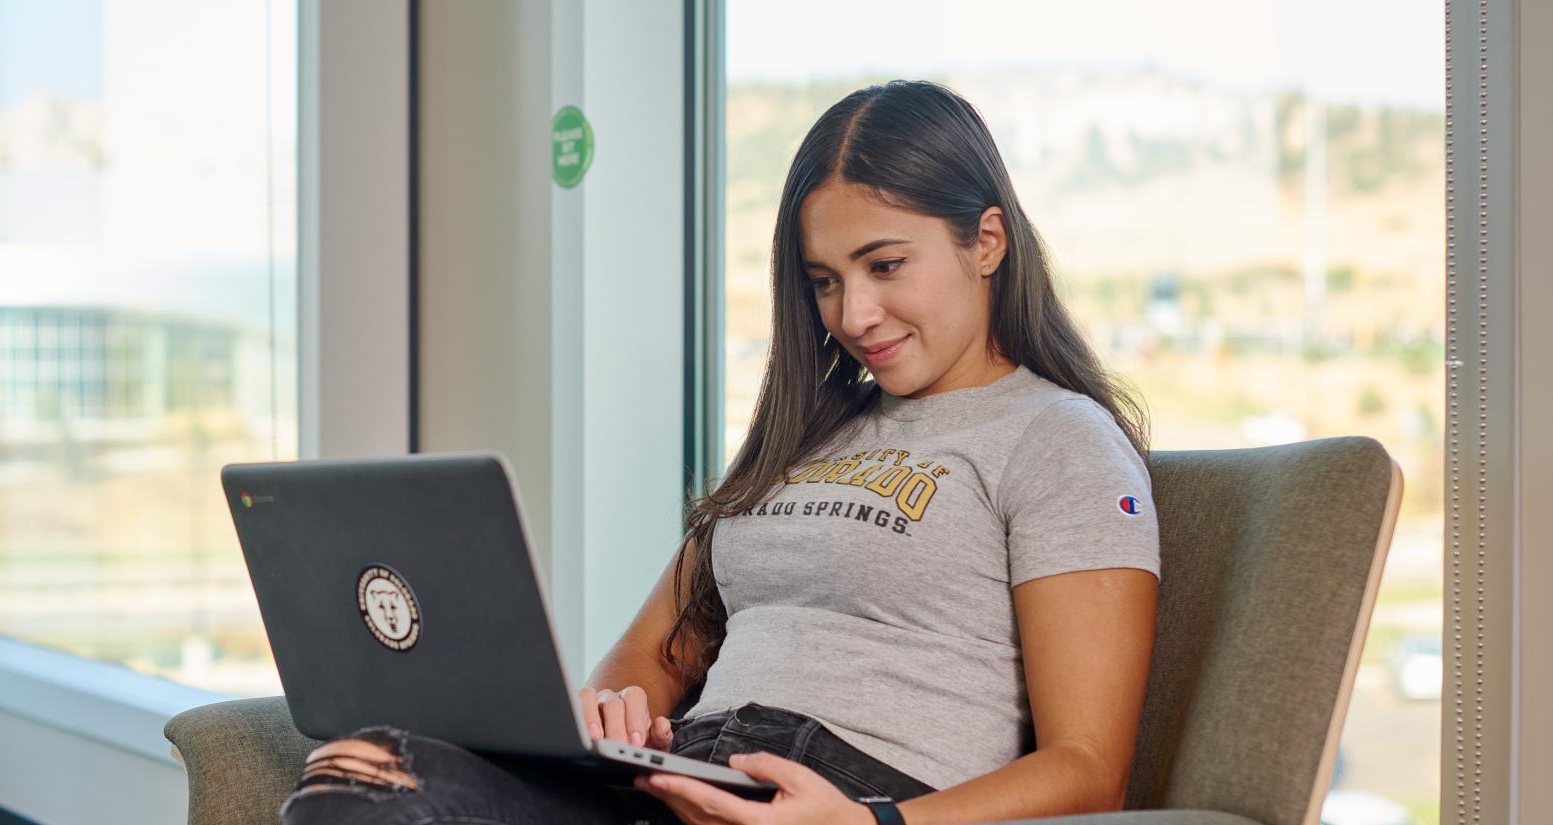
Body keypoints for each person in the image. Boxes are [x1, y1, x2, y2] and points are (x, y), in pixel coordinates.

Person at [282, 79, 1161, 825]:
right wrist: (617, 707)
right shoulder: (804, 432)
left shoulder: (1058, 439)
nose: (851, 315)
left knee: (380, 785)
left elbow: (1089, 766)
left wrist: (869, 822)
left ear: (987, 242)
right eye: (823, 281)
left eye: (884, 265)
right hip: (692, 780)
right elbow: (654, 652)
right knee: (365, 768)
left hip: (858, 800)